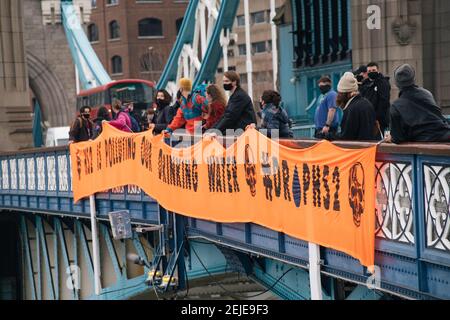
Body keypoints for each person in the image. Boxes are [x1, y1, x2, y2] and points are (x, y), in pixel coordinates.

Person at [388, 64, 450, 143]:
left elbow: (398, 138)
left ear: (396, 84)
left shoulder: (396, 106)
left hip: (426, 143)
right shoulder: (427, 93)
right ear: (413, 79)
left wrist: (391, 138)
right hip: (446, 135)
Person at [336, 72, 377, 141]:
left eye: (340, 93)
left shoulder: (351, 108)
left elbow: (346, 136)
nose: (338, 96)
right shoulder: (366, 102)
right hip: (370, 147)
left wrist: (329, 136)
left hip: (358, 149)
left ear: (348, 93)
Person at [361, 62, 391, 136]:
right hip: (368, 119)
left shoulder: (383, 82)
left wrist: (376, 116)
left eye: (373, 70)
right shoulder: (365, 84)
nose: (371, 72)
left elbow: (384, 101)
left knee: (383, 140)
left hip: (382, 120)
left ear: (378, 70)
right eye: (369, 71)